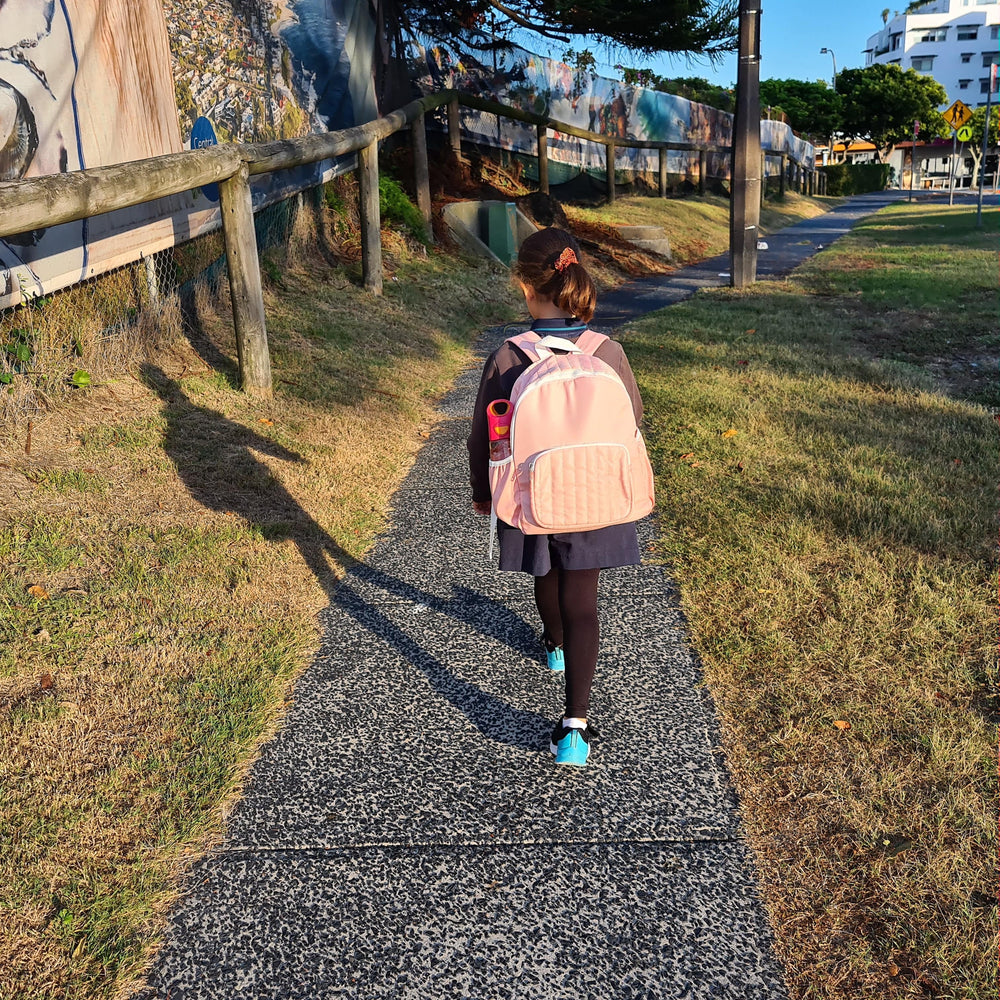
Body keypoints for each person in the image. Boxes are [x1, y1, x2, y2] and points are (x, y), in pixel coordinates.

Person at [467, 227, 646, 767]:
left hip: (532, 496)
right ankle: (575, 729)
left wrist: (483, 493)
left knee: (546, 575)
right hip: (597, 492)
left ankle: (554, 645)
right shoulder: (608, 351)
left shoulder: (508, 356)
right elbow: (632, 420)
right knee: (584, 601)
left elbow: (483, 436)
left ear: (525, 287)